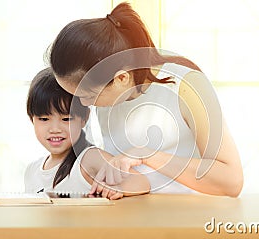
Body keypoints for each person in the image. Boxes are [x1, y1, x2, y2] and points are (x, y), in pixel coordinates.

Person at [48, 2, 243, 196]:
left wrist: (148, 155)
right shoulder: (108, 89)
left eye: (88, 96)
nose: (83, 103)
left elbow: (231, 181)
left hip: (190, 217)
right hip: (131, 217)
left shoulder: (186, 85)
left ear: (121, 78)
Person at [24, 67, 150, 199]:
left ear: (84, 118)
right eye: (44, 119)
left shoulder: (89, 158)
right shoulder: (31, 170)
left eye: (66, 119)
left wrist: (118, 188)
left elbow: (140, 182)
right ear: (32, 118)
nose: (55, 129)